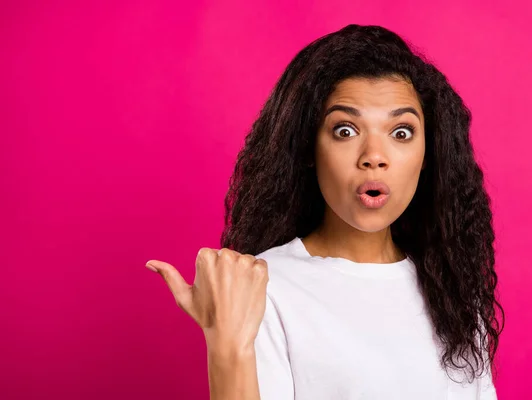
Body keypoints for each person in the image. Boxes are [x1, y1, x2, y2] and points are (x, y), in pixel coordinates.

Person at [145, 24, 505, 399]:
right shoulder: (263, 288)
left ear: (428, 155)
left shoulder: (451, 290)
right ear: (308, 151)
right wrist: (226, 343)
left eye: (401, 132)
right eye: (346, 130)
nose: (374, 158)